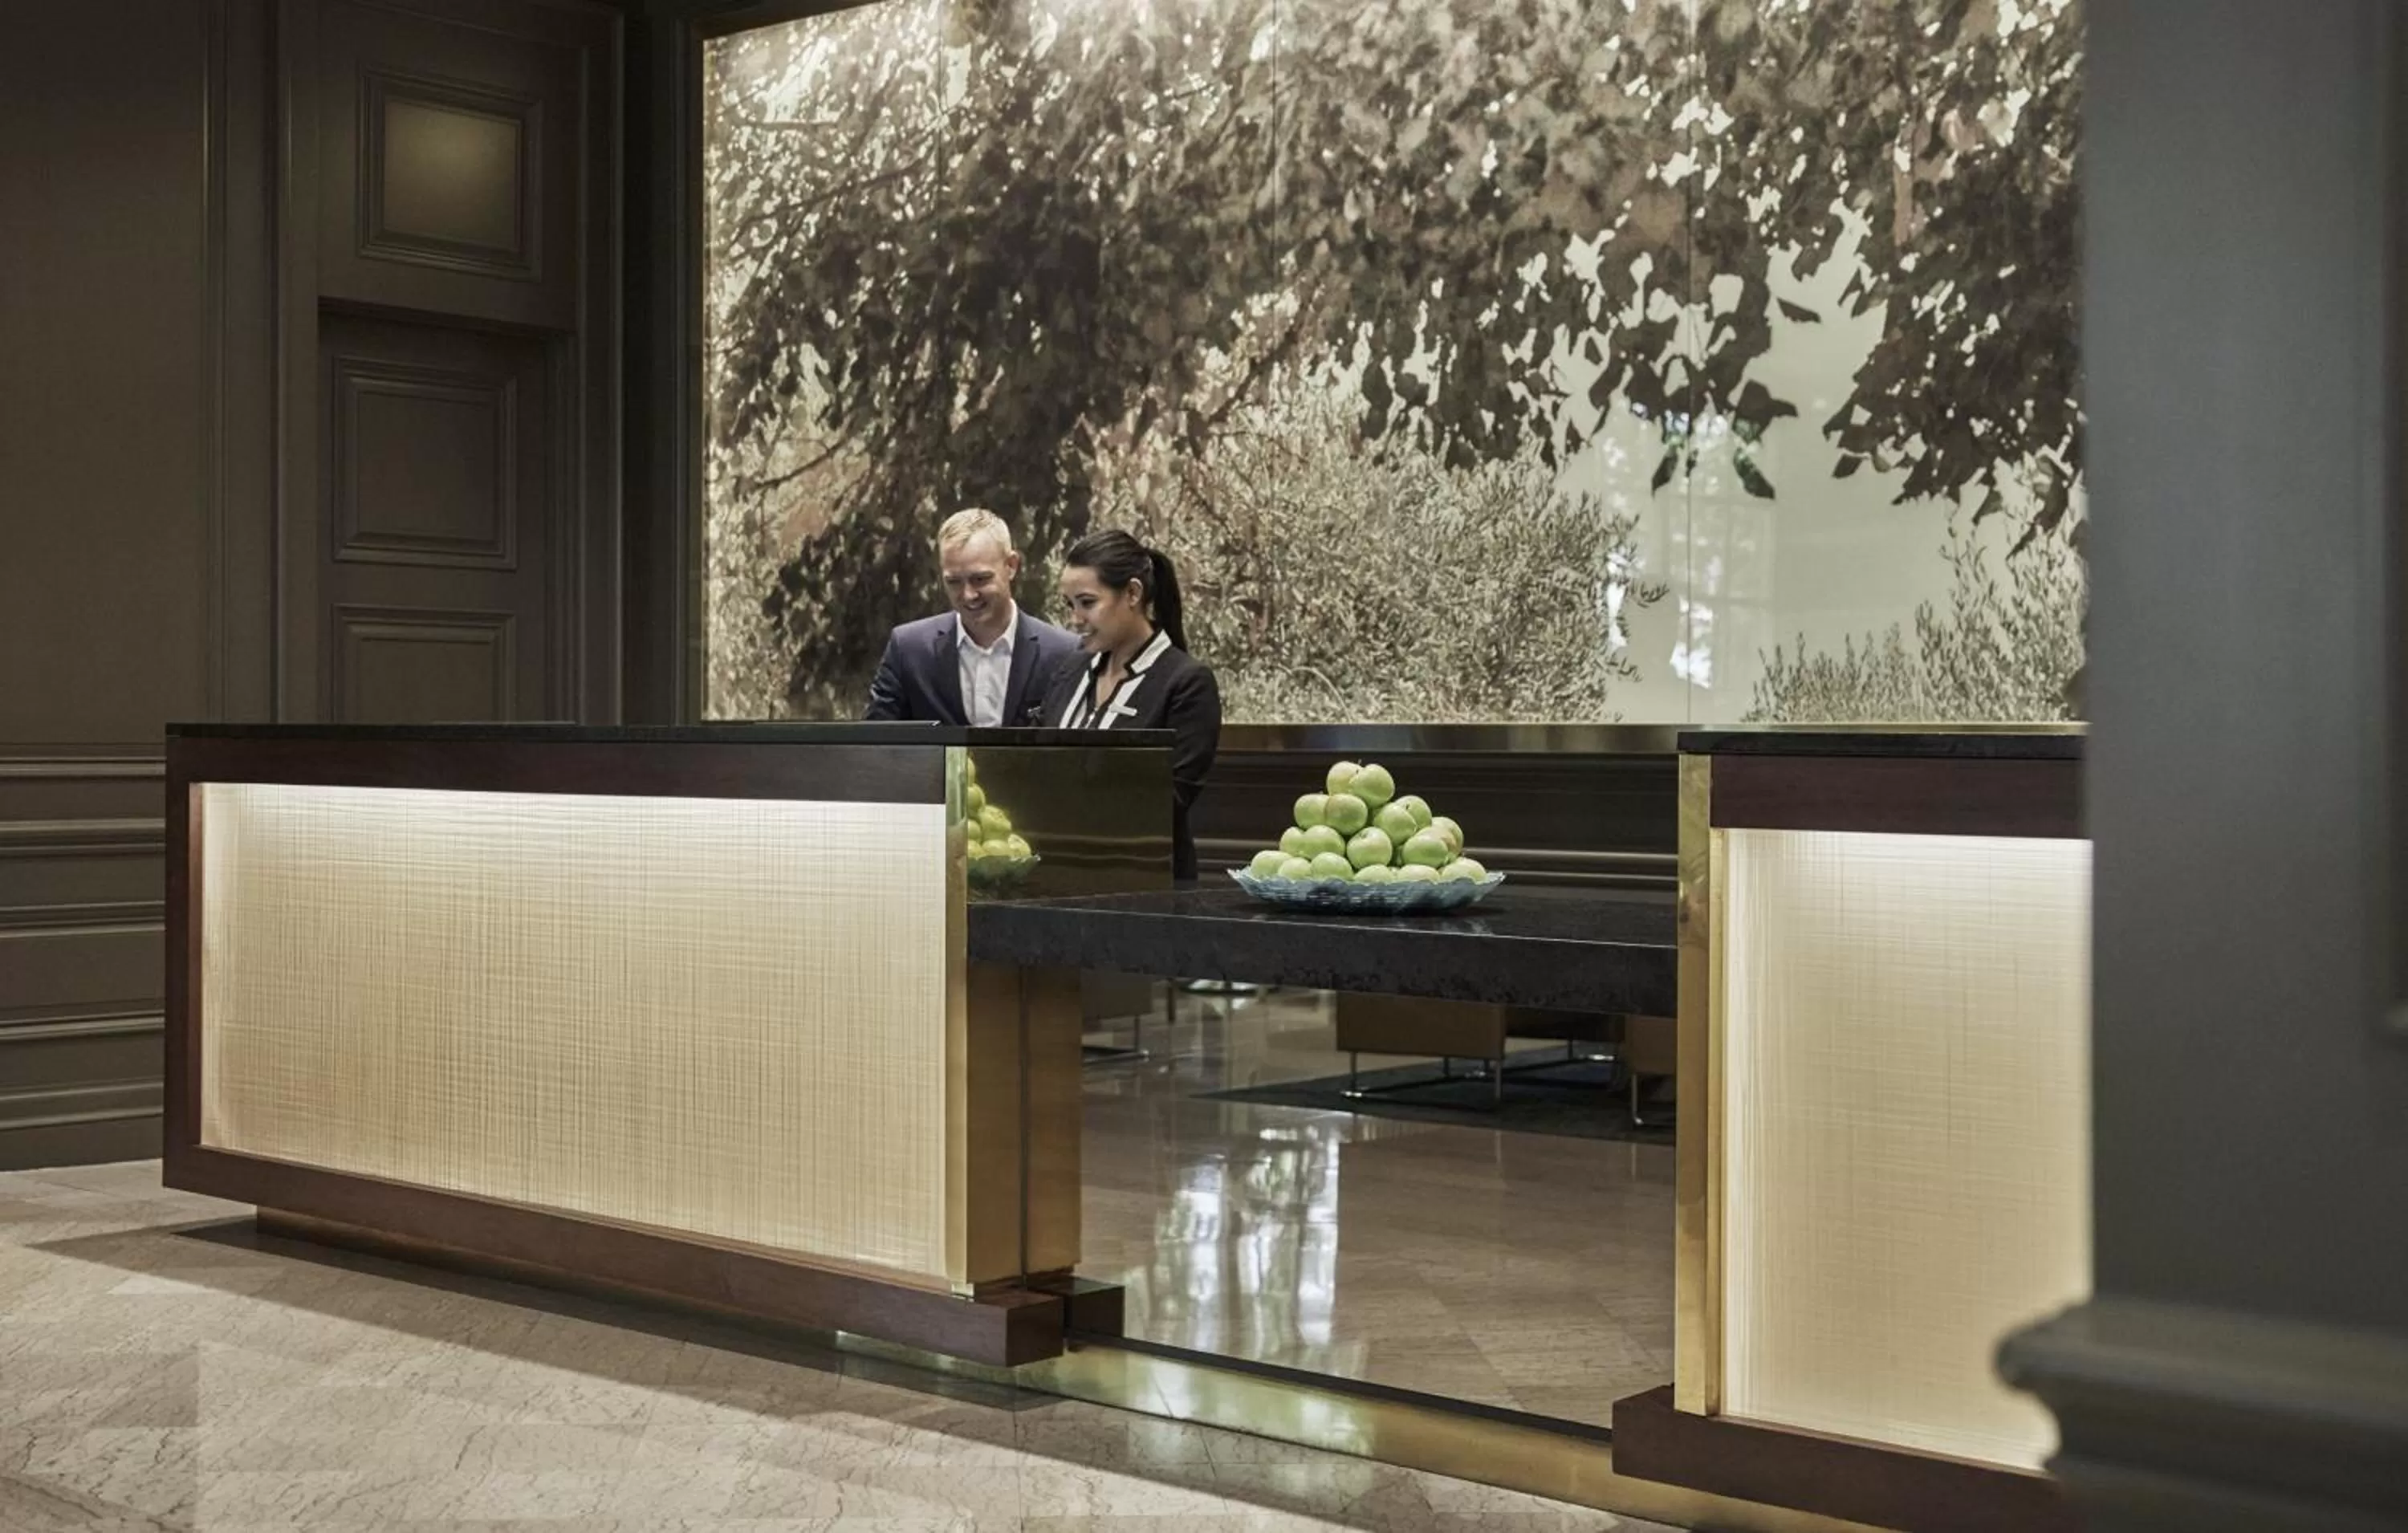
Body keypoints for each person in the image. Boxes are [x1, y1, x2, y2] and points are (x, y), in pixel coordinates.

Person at [1042, 530, 1222, 880]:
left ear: (1133, 593)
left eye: (1088, 602)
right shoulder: (1070, 669)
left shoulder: (1187, 683)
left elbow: (1167, 800)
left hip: (1144, 884)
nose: (1075, 619)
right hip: (1056, 876)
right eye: (1070, 604)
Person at [864, 509, 1080, 727]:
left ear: (1011, 566)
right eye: (954, 582)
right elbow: (874, 745)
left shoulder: (1063, 654)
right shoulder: (908, 649)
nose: (968, 595)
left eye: (980, 579)